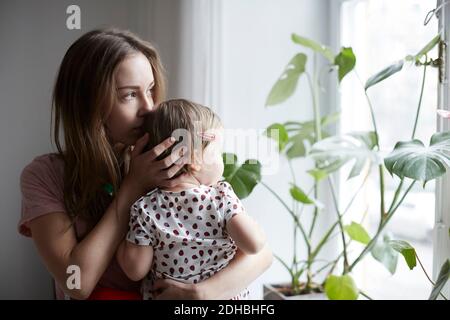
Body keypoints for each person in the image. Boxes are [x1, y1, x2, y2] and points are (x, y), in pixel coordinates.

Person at [18, 28, 272, 300]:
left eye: (151, 90)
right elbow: (77, 282)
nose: (149, 108)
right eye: (129, 95)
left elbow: (261, 252)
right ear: (88, 104)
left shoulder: (174, 156)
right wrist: (133, 187)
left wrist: (202, 293)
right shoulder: (44, 176)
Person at [116, 99, 266, 299]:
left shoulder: (146, 208)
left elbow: (135, 269)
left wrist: (119, 249)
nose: (222, 161)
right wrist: (255, 228)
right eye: (217, 153)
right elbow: (254, 245)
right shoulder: (221, 197)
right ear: (194, 160)